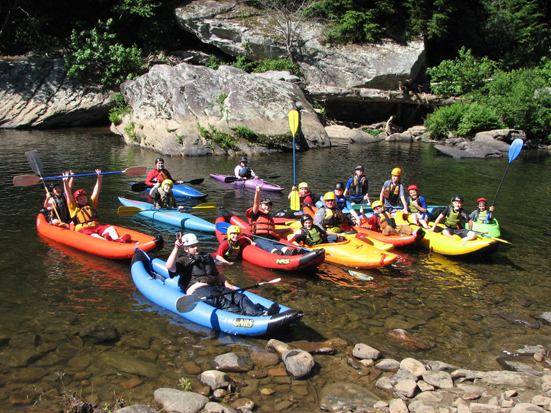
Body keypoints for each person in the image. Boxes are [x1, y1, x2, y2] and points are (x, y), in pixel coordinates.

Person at [166, 232, 279, 316]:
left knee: (239, 297)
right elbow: (170, 267)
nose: (196, 248)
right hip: (200, 290)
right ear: (186, 249)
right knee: (222, 302)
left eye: (197, 245)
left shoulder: (206, 256)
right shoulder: (184, 259)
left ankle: (259, 314)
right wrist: (176, 247)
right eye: (192, 246)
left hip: (217, 286)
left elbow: (216, 273)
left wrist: (227, 283)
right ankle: (244, 317)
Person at [63, 169, 132, 242]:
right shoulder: (74, 208)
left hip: (96, 226)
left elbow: (96, 192)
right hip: (83, 229)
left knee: (111, 228)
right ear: (76, 201)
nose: (83, 200)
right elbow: (68, 195)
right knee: (94, 236)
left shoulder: (91, 204)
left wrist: (99, 178)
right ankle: (106, 242)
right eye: (80, 199)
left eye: (84, 198)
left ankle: (117, 240)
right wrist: (65, 181)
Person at [246, 183, 296, 255]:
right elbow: (256, 203)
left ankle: (294, 255)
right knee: (275, 250)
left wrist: (286, 229)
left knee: (286, 249)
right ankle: (277, 256)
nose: (267, 207)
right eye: (265, 205)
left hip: (272, 239)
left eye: (269, 206)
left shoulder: (269, 218)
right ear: (261, 205)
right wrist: (257, 192)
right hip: (260, 239)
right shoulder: (256, 213)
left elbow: (273, 230)